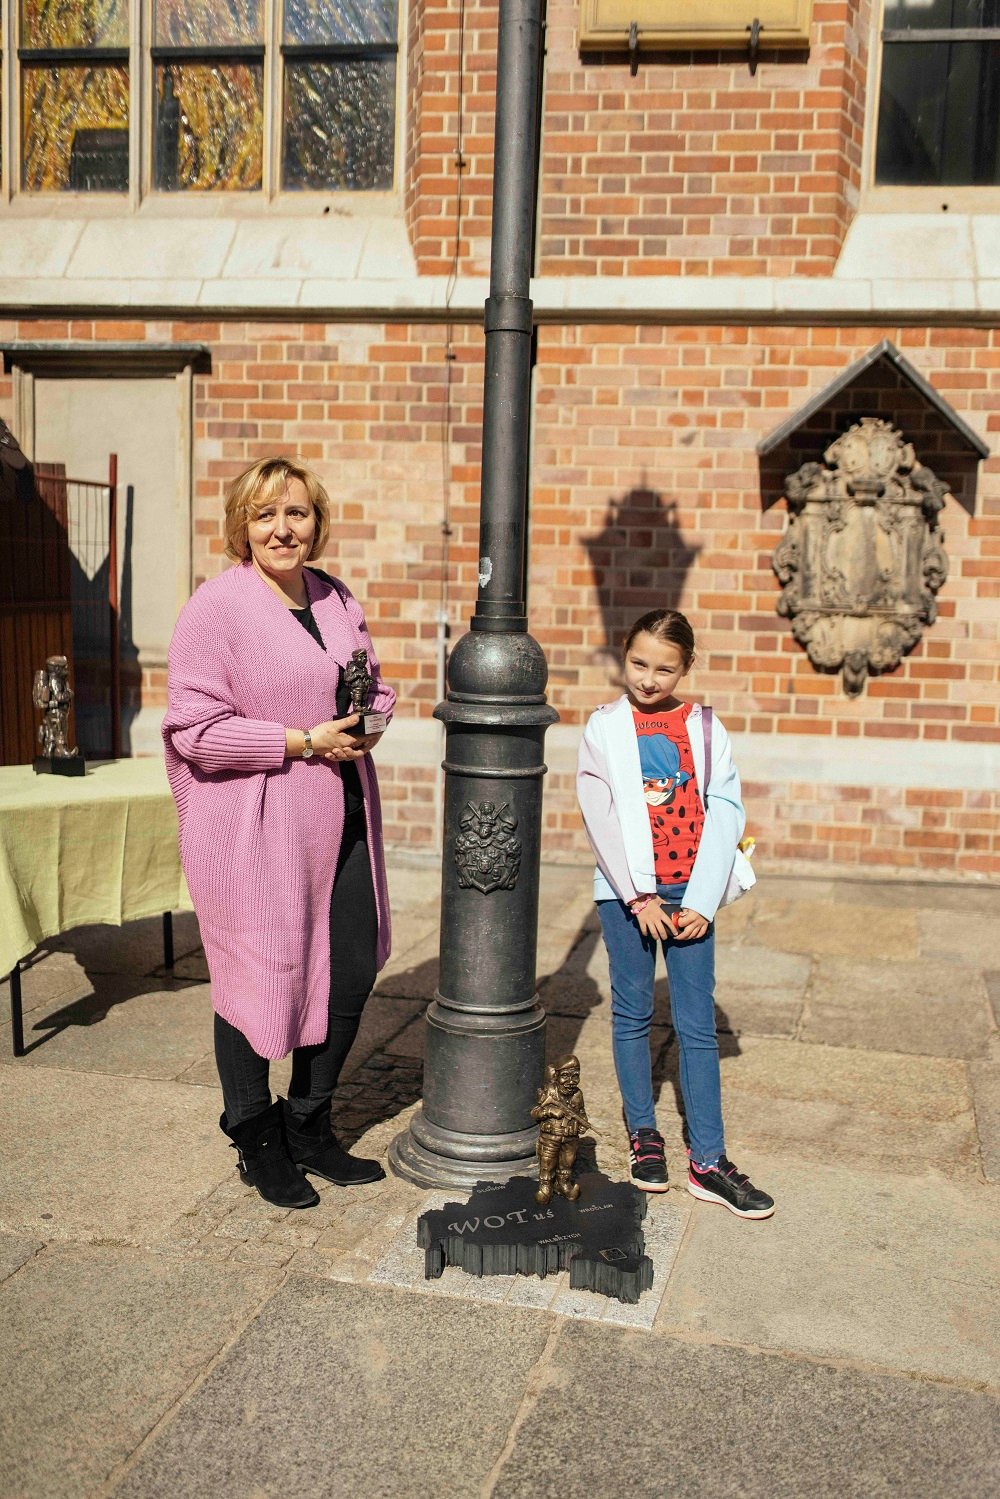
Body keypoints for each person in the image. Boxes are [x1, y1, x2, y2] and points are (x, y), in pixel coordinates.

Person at [163, 456, 396, 1210]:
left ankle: (308, 1122)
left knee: (350, 971)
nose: (282, 528)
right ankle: (255, 1136)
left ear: (315, 521)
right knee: (256, 978)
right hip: (256, 828)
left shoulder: (334, 596)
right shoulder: (216, 610)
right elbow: (195, 731)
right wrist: (300, 741)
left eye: (296, 512)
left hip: (344, 812)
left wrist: (373, 717)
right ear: (243, 526)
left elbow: (367, 679)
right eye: (265, 515)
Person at [576, 609, 774, 1219]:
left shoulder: (705, 728)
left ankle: (709, 1161)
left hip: (692, 894)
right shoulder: (604, 726)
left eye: (664, 669)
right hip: (625, 895)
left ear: (686, 667)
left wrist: (701, 902)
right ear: (623, 655)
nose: (648, 678)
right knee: (632, 1013)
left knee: (696, 1026)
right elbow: (599, 813)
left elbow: (726, 809)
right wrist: (638, 896)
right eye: (638, 663)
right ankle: (644, 1136)